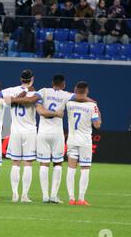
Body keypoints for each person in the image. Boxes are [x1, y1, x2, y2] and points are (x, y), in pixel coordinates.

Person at [0, 70, 63, 202]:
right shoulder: (36, 93)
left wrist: (11, 99)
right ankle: (24, 195)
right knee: (28, 164)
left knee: (15, 164)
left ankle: (15, 194)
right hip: (30, 131)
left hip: (15, 131)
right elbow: (37, 108)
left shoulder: (10, 90)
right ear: (32, 79)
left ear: (21, 79)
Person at [35, 74, 94, 204]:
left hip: (43, 132)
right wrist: (93, 102)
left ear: (52, 83)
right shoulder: (66, 95)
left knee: (44, 164)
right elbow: (80, 97)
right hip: (57, 133)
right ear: (63, 84)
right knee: (57, 163)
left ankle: (45, 196)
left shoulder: (43, 91)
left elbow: (40, 110)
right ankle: (54, 196)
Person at [66, 81, 102, 206]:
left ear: (75, 90)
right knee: (85, 169)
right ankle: (81, 199)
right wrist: (96, 106)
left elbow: (71, 96)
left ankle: (71, 198)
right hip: (85, 141)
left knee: (71, 169)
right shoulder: (92, 106)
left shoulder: (69, 103)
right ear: (87, 91)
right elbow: (97, 125)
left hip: (72, 140)